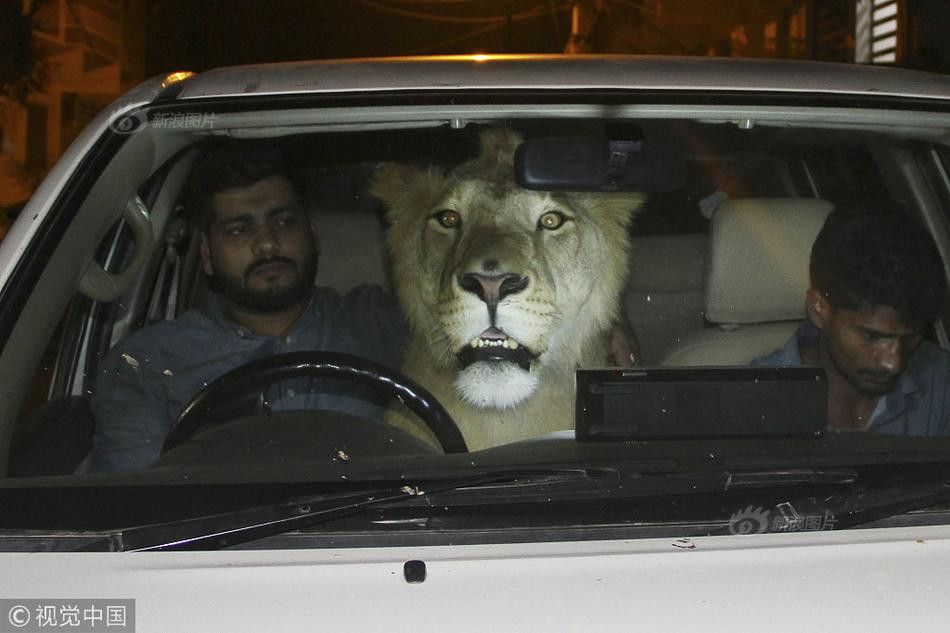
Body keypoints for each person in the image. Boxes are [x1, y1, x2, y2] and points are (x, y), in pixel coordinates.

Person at [91, 144, 406, 472]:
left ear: (313, 236)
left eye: (284, 222)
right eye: (239, 230)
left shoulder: (384, 322)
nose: (267, 243)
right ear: (208, 257)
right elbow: (138, 502)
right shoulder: (147, 363)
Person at [753, 210, 950, 435]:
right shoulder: (751, 401)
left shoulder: (941, 384)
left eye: (912, 337)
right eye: (872, 336)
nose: (893, 363)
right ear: (819, 309)